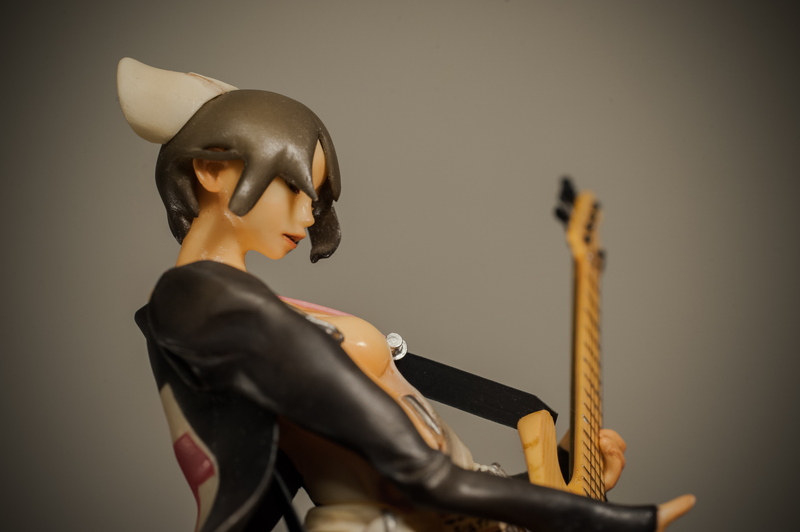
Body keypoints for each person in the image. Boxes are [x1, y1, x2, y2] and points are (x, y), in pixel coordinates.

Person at [119, 58, 694, 532]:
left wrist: (561, 470)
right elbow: (419, 475)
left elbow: (423, 483)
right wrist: (602, 519)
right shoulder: (198, 303)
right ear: (211, 170)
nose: (308, 216)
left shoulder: (254, 309)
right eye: (292, 185)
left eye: (314, 197)